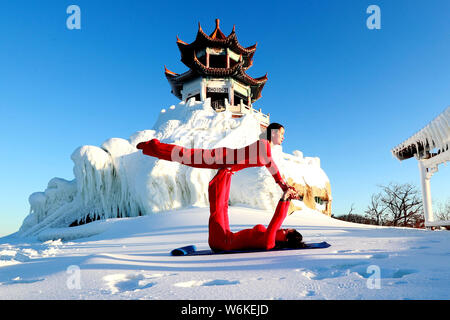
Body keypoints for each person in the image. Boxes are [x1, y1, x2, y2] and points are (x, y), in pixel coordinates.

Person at [136, 123, 305, 252]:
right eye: (282, 134)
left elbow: (272, 168)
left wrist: (285, 190)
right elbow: (271, 165)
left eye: (286, 231)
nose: (283, 137)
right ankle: (152, 147)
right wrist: (285, 192)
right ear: (273, 133)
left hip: (227, 170)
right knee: (188, 156)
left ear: (287, 237)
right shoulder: (264, 146)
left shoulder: (270, 241)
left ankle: (153, 148)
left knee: (219, 205)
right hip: (223, 159)